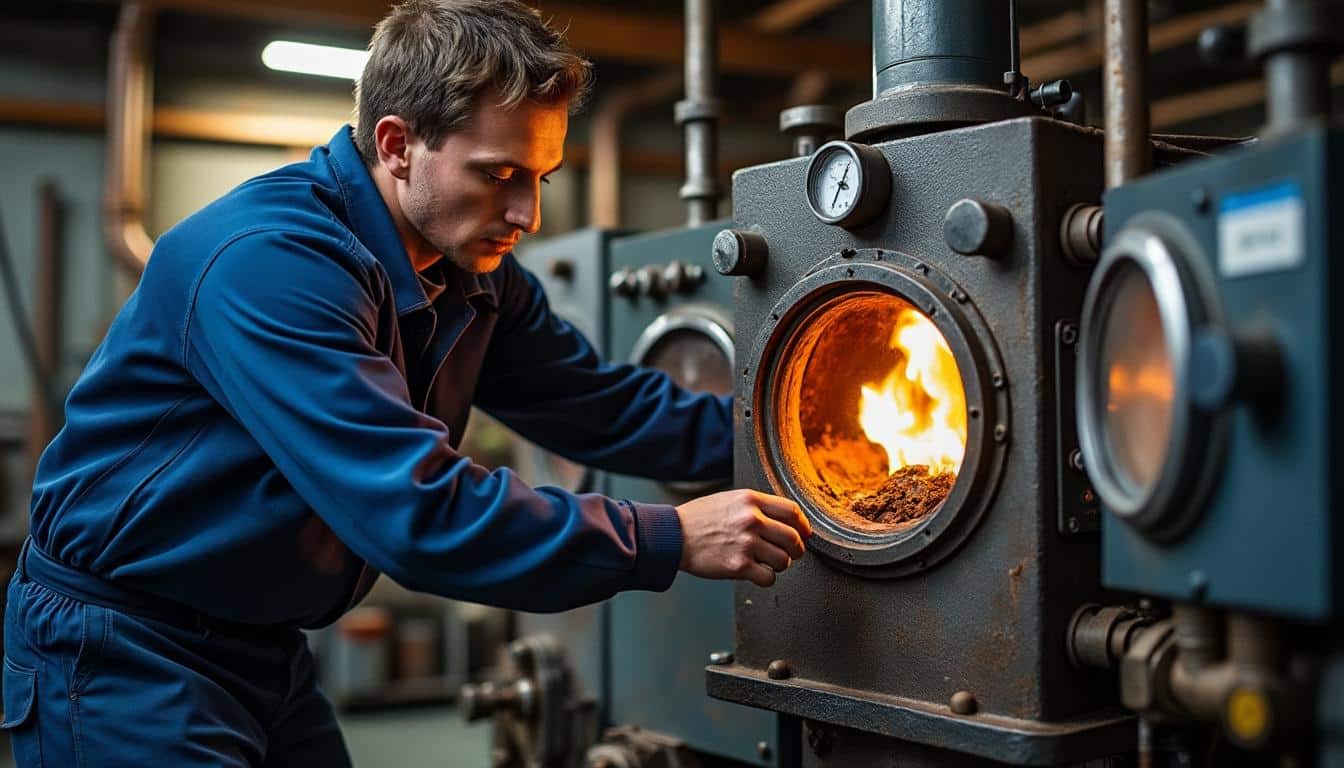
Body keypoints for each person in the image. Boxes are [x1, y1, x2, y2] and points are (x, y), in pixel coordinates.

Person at [1, 1, 812, 765]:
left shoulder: (469, 271)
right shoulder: (271, 264)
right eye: (499, 174)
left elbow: (599, 404)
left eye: (542, 176)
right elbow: (417, 513)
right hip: (121, 648)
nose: (526, 213)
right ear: (396, 144)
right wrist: (668, 536)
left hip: (263, 643)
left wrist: (794, 435)